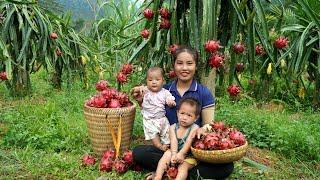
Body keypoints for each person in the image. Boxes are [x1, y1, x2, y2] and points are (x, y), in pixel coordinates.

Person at [131, 46, 234, 179]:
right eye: (180, 63)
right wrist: (141, 101)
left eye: (189, 63)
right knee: (139, 152)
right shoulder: (164, 91)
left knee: (227, 167)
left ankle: (172, 170)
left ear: (196, 66)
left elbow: (209, 125)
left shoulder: (204, 93)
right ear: (174, 65)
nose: (184, 68)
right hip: (169, 147)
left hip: (193, 151)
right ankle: (179, 171)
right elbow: (152, 114)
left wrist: (202, 129)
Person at [154, 97, 200, 180]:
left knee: (183, 167)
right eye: (182, 113)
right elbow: (173, 141)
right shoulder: (173, 127)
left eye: (189, 115)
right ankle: (158, 176)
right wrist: (174, 155)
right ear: (177, 113)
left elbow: (189, 141)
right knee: (166, 155)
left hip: (189, 156)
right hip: (175, 152)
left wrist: (182, 154)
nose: (184, 117)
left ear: (196, 118)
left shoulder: (194, 128)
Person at [141, 67, 176, 152]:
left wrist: (170, 102)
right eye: (150, 80)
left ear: (163, 81)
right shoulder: (146, 91)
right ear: (146, 81)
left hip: (162, 118)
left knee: (167, 132)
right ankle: (159, 146)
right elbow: (140, 90)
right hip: (150, 120)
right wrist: (141, 88)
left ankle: (166, 145)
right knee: (153, 135)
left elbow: (169, 98)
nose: (153, 82)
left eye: (157, 79)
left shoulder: (164, 92)